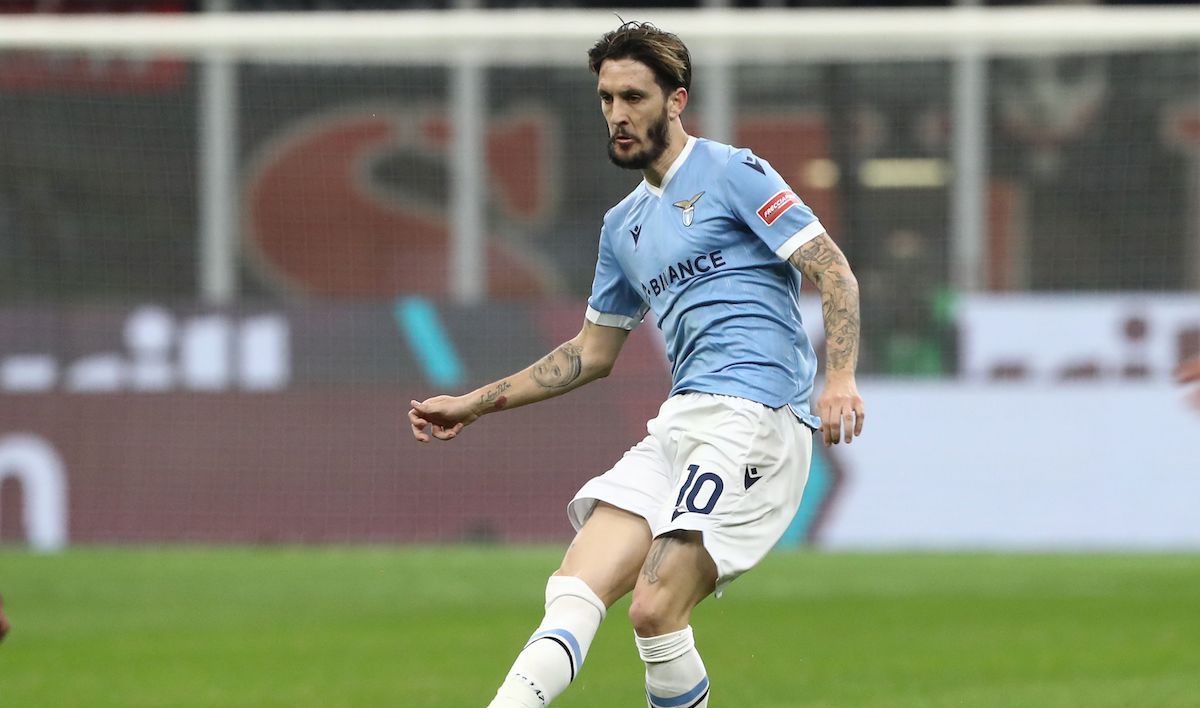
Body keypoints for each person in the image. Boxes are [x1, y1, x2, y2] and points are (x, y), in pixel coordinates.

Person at [409, 21, 864, 708]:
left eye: (634, 97)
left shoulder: (733, 172)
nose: (617, 115)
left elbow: (832, 270)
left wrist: (840, 378)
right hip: (680, 425)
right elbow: (589, 353)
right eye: (607, 99)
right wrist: (473, 403)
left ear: (676, 100)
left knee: (653, 607)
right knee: (573, 588)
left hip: (754, 421)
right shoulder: (623, 226)